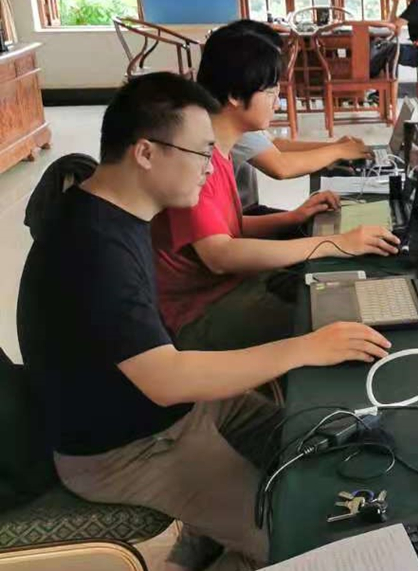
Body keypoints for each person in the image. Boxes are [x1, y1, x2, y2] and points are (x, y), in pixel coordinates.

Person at [17, 72, 392, 571]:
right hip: (127, 449)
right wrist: (305, 347)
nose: (210, 168)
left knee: (314, 440)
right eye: (200, 153)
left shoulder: (114, 209)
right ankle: (231, 539)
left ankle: (201, 539)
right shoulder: (92, 248)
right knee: (299, 537)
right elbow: (165, 380)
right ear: (146, 153)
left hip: (175, 412)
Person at [152, 27, 400, 351]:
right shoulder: (195, 159)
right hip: (201, 314)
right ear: (234, 96)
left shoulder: (218, 148)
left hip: (231, 286)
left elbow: (227, 228)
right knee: (346, 317)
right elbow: (220, 256)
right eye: (270, 92)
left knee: (338, 283)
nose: (278, 101)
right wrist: (334, 243)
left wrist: (294, 217)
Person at [217, 20, 373, 214]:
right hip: (243, 216)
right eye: (270, 90)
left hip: (242, 217)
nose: (276, 104)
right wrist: (336, 151)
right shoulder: (227, 125)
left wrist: (334, 148)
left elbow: (275, 144)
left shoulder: (234, 116)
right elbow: (280, 166)